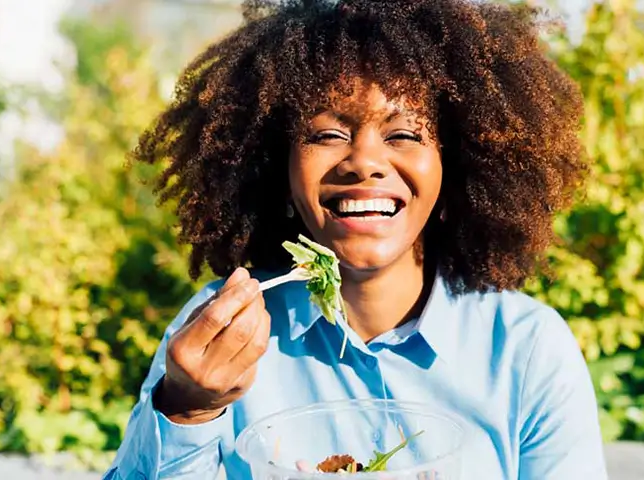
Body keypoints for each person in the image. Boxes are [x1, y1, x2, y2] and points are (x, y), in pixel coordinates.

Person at [103, 0, 608, 478]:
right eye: (328, 134)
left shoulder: (526, 349)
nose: (364, 162)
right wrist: (189, 410)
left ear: (455, 166)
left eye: (404, 135)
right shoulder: (216, 332)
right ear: (275, 166)